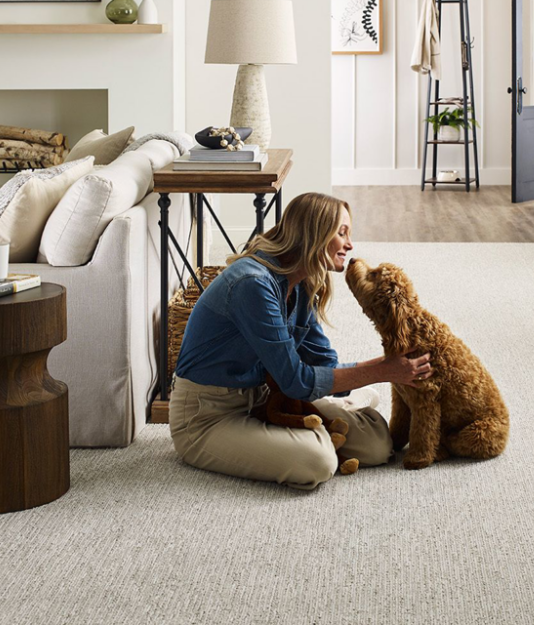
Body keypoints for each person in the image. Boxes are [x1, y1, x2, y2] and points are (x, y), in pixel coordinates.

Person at [169, 192, 432, 490]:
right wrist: (384, 371)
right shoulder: (252, 283)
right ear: (314, 233)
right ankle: (313, 433)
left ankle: (315, 425)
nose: (349, 245)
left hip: (266, 398)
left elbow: (325, 364)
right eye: (342, 233)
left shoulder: (300, 283)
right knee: (318, 462)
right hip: (208, 416)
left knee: (378, 445)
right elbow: (296, 382)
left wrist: (389, 366)